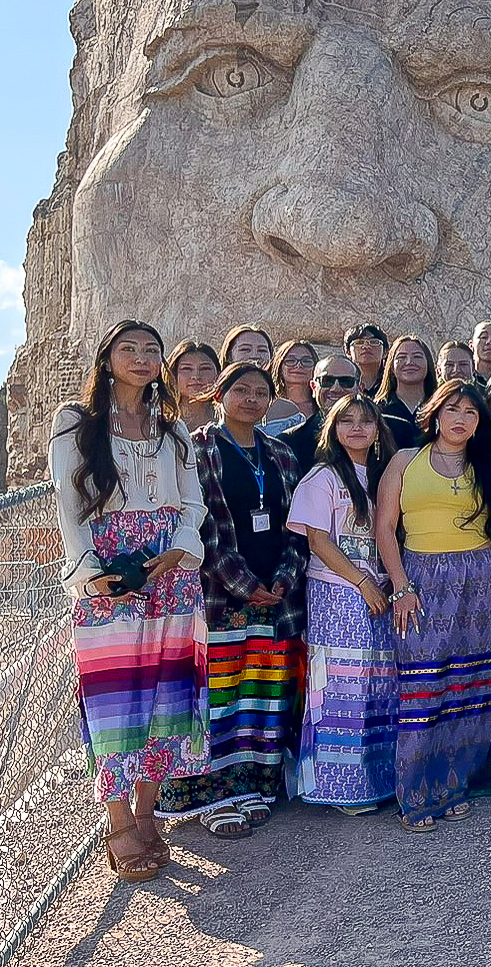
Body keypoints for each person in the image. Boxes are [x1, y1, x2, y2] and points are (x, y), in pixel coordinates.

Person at [51, 320, 208, 883]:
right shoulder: (75, 423)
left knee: (166, 693)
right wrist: (90, 574)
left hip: (170, 573)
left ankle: (148, 812)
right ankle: (117, 820)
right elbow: (69, 507)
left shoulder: (173, 431)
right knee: (113, 698)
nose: (142, 358)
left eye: (151, 351)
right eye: (129, 349)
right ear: (108, 357)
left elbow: (192, 503)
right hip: (108, 576)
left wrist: (180, 552)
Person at [159, 362, 305, 837]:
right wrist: (243, 583)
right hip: (218, 596)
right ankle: (215, 797)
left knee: (262, 693)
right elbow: (197, 525)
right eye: (240, 390)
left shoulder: (281, 454)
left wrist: (282, 578)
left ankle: (255, 788)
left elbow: (297, 527)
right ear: (220, 394)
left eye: (260, 392)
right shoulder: (196, 450)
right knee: (217, 699)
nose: (250, 399)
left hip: (276, 596)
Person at [374, 379, 491, 829]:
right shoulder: (404, 460)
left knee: (470, 685)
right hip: (420, 577)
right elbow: (385, 529)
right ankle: (415, 793)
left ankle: (453, 783)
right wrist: (400, 586)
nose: (461, 419)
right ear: (436, 413)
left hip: (478, 578)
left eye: (471, 413)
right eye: (453, 409)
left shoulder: (485, 461)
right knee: (424, 684)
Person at [286, 394, 399, 814]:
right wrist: (362, 582)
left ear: (376, 430)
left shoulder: (379, 476)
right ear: (333, 429)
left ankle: (378, 778)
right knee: (340, 687)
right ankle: (339, 787)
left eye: (365, 421)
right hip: (338, 593)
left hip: (377, 591)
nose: (356, 428)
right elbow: (319, 541)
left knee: (376, 684)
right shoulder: (323, 477)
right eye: (346, 420)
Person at [282, 355, 360, 467]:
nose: (336, 388)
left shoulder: (387, 432)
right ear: (313, 387)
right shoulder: (290, 443)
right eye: (327, 381)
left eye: (346, 382)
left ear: (359, 388)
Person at [374, 335, 438, 450]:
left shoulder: (440, 408)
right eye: (402, 357)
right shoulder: (377, 411)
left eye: (417, 357)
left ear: (428, 364)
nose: (409, 362)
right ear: (391, 367)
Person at [166, 339, 220, 434]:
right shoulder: (162, 420)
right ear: (173, 375)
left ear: (219, 374)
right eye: (186, 368)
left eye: (205, 368)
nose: (196, 376)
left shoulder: (227, 418)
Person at [265, 338, 318, 427]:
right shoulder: (267, 405)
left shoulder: (323, 404)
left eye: (306, 361)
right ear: (280, 367)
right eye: (290, 360)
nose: (298, 365)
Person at [345, 324, 390, 396]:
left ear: (385, 352)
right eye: (359, 342)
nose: (366, 346)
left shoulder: (394, 384)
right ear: (348, 351)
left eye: (374, 342)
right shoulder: (342, 383)